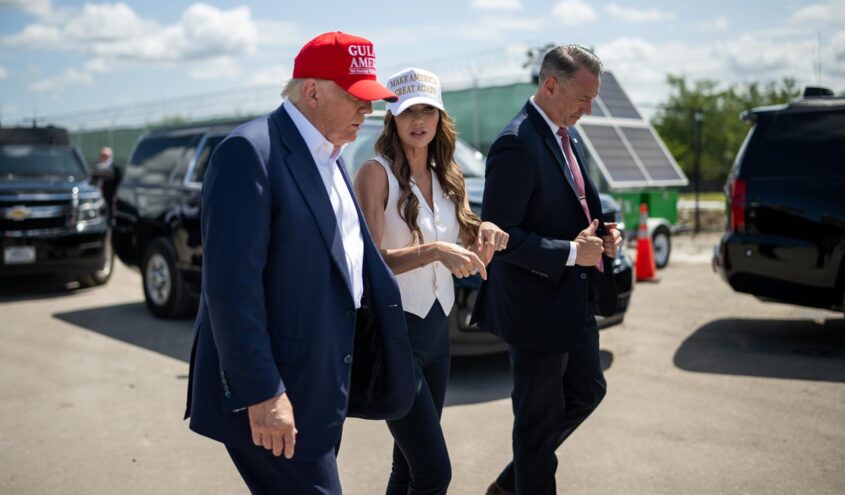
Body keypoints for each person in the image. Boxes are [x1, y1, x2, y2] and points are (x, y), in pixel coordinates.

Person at [184, 32, 416, 494]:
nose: (366, 112)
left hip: (321, 383)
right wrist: (262, 391)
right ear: (313, 91)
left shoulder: (330, 155)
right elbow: (231, 289)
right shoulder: (250, 153)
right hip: (276, 391)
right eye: (356, 98)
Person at [471, 45, 622, 495]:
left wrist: (604, 237)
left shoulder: (567, 134)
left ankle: (508, 485)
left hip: (572, 301)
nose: (589, 109)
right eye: (583, 98)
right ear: (551, 85)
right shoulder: (515, 142)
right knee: (537, 428)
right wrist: (573, 253)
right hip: (534, 309)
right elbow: (500, 236)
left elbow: (573, 208)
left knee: (588, 391)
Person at [354, 67, 509, 495]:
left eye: (428, 110)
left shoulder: (448, 175)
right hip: (394, 334)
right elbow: (369, 263)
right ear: (393, 118)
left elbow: (468, 246)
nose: (418, 121)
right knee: (434, 473)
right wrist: (434, 251)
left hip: (437, 334)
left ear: (441, 117)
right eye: (408, 112)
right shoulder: (375, 172)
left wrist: (487, 235)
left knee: (407, 467)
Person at [93, 146, 120, 218]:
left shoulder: (115, 168)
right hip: (98, 193)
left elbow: (118, 181)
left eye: (104, 156)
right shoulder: (98, 167)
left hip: (110, 194)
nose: (102, 157)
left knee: (109, 210)